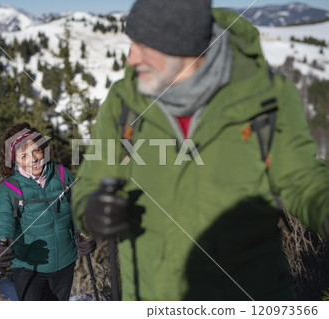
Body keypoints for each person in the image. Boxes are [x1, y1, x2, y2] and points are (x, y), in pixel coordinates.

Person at [72, 0, 329, 301]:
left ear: (184, 50)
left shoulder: (265, 97)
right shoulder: (124, 103)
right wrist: (90, 212)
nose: (131, 59)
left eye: (144, 47)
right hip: (152, 295)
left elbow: (300, 178)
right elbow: (90, 182)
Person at [0, 122, 95, 301]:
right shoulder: (9, 187)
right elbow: (3, 220)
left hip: (64, 262)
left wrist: (85, 233)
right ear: (13, 160)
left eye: (36, 151)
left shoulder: (62, 174)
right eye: (24, 155)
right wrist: (0, 245)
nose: (33, 159)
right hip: (28, 267)